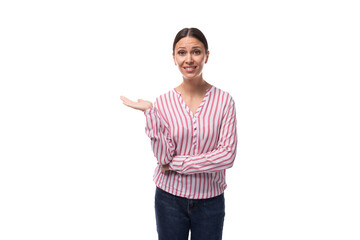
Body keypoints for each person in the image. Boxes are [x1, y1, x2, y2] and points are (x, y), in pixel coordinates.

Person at [120, 28, 237, 240]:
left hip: (210, 200)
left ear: (207, 56)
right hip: (169, 199)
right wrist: (150, 113)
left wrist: (176, 165)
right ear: (174, 58)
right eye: (182, 52)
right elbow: (163, 158)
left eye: (196, 51)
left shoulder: (225, 101)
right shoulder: (163, 103)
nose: (189, 59)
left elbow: (227, 156)